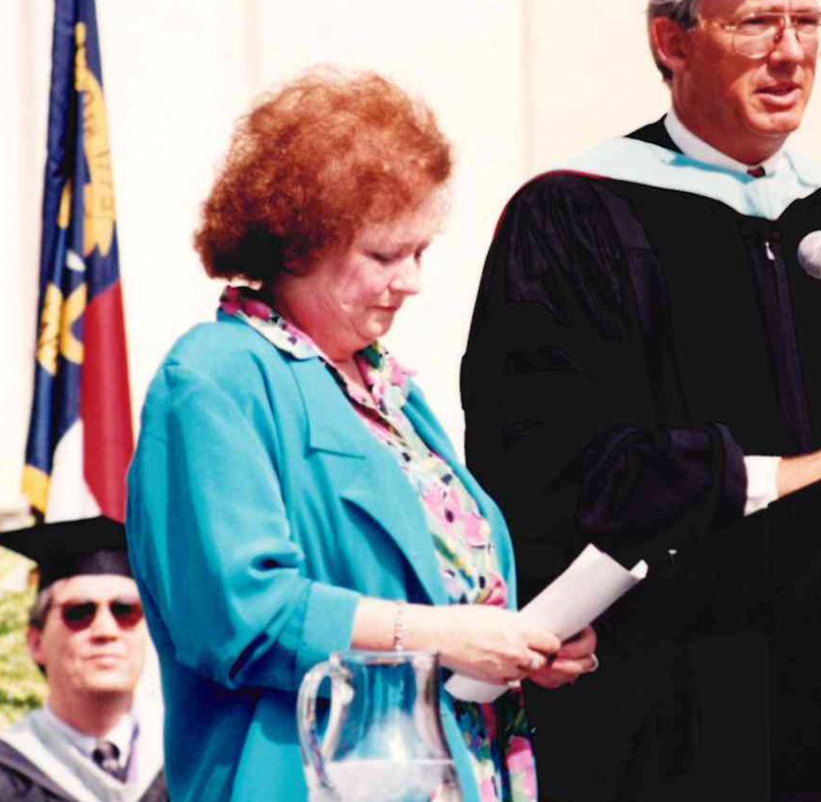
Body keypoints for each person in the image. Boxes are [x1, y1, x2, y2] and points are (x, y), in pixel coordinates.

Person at [461, 0, 821, 801]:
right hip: (662, 706)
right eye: (756, 23)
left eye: (810, 23)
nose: (792, 53)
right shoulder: (574, 218)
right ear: (672, 40)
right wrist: (791, 473)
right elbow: (538, 459)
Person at [125, 69, 597, 802]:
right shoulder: (218, 375)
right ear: (293, 246)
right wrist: (446, 635)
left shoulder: (391, 392)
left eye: (420, 253)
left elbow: (441, 587)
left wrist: (519, 645)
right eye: (383, 255)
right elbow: (242, 615)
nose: (410, 281)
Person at [0, 516, 167, 802]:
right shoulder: (9, 774)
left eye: (126, 611)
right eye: (79, 612)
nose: (105, 630)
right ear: (36, 642)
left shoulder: (188, 764)